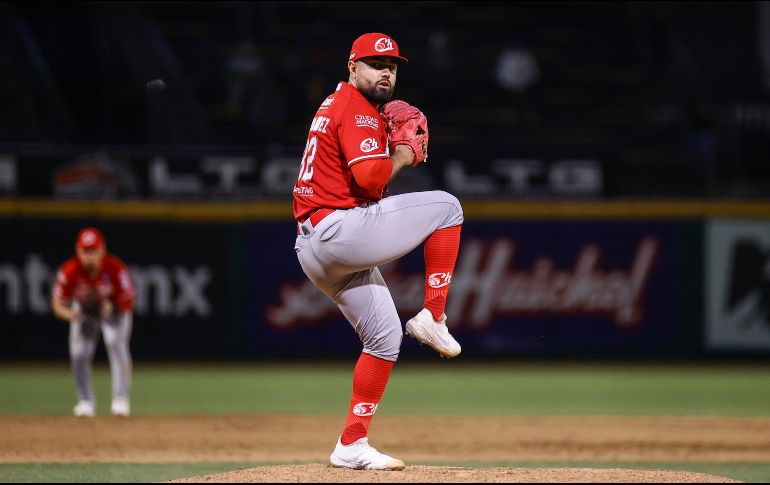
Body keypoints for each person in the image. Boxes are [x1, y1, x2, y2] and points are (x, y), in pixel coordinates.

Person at [292, 32, 464, 471]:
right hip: (338, 230)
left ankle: (351, 444)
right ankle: (434, 315)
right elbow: (371, 179)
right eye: (374, 63)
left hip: (314, 246)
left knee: (385, 338)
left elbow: (363, 180)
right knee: (447, 207)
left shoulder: (336, 105)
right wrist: (403, 154)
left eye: (392, 66)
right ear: (352, 68)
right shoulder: (356, 108)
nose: (386, 71)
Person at [51, 227, 135, 417]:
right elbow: (57, 305)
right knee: (79, 353)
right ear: (78, 251)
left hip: (113, 311)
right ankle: (85, 401)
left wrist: (111, 307)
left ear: (102, 250)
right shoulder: (70, 270)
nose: (90, 256)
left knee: (116, 343)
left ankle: (120, 399)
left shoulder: (116, 268)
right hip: (85, 313)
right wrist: (71, 314)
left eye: (93, 250)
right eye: (85, 251)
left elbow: (129, 299)